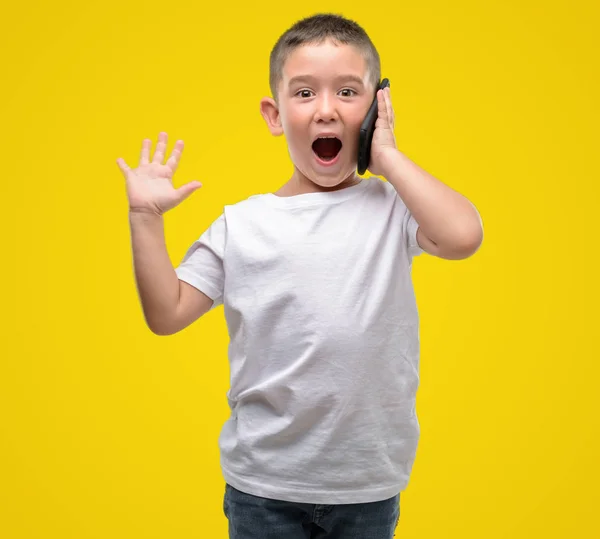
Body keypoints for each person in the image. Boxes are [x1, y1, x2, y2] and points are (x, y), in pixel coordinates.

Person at [117, 12, 483, 539]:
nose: (327, 110)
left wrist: (389, 156)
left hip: (367, 485)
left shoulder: (394, 206)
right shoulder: (242, 224)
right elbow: (167, 313)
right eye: (305, 93)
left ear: (376, 108)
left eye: (349, 92)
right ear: (274, 114)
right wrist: (145, 219)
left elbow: (463, 237)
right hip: (264, 486)